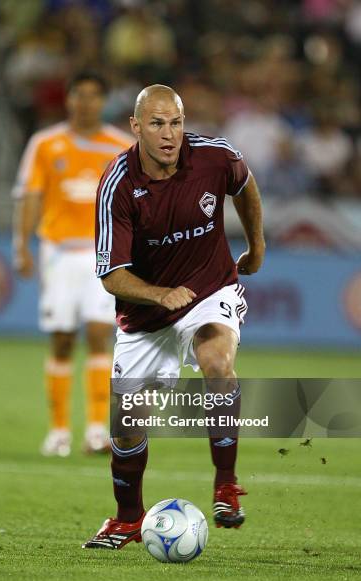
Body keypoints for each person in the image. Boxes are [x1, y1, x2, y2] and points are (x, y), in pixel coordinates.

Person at [83, 84, 265, 549]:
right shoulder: (118, 185)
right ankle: (127, 519)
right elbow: (111, 275)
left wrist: (257, 245)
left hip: (208, 289)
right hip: (146, 314)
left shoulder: (214, 157)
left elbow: (244, 186)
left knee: (218, 364)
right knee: (126, 423)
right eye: (158, 124)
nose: (170, 134)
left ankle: (226, 485)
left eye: (177, 123)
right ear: (136, 126)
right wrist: (159, 295)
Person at [12, 72, 133, 456]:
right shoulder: (45, 143)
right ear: (68, 100)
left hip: (104, 254)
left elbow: (138, 201)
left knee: (100, 334)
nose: (86, 103)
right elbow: (31, 194)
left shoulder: (122, 146)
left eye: (94, 96)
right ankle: (59, 430)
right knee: (62, 338)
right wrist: (21, 244)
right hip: (59, 253)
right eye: (79, 95)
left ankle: (96, 430)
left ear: (104, 101)